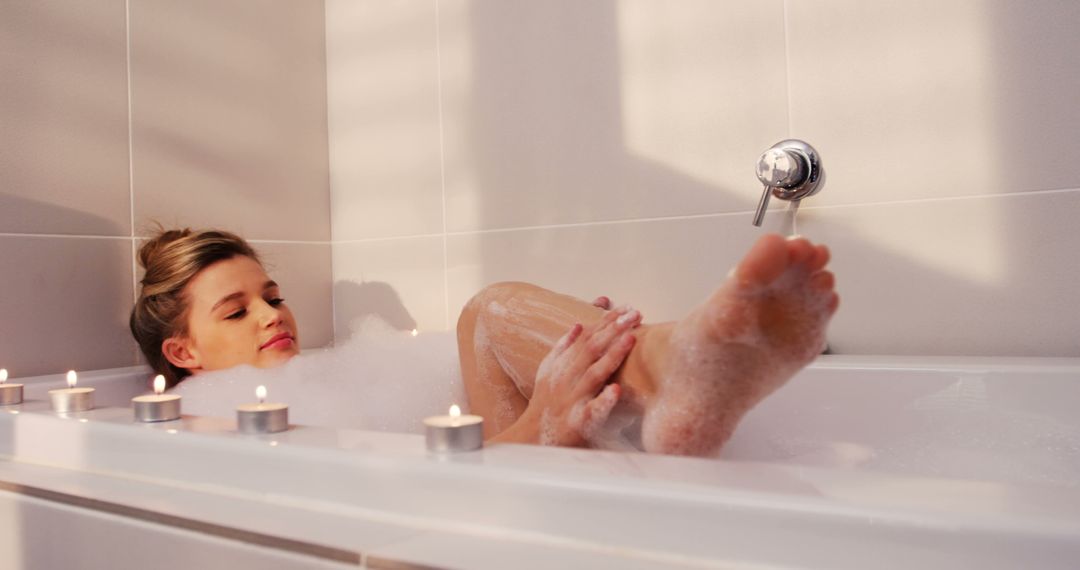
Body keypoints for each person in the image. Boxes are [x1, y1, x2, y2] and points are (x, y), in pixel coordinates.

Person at [131, 229, 837, 457]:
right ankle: (672, 374)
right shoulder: (208, 424)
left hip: (509, 486)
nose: (270, 315)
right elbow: (408, 505)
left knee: (493, 317)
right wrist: (545, 417)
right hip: (482, 513)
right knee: (492, 309)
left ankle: (668, 381)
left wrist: (551, 351)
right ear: (183, 353)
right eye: (236, 311)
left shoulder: (328, 378)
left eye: (273, 295)